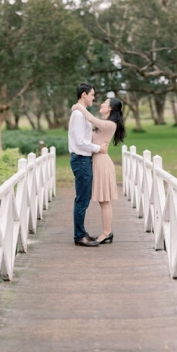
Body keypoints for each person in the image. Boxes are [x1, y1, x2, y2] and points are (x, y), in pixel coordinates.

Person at [71, 96, 126, 244]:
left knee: (104, 201)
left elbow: (90, 118)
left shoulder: (110, 124)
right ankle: (105, 232)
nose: (101, 104)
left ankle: (106, 233)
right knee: (103, 200)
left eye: (105, 103)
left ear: (110, 108)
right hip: (96, 161)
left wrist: (78, 106)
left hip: (102, 163)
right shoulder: (106, 124)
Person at [68, 83, 108, 247]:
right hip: (81, 159)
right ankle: (79, 236)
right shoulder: (78, 115)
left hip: (83, 159)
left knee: (82, 199)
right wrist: (98, 148)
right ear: (84, 95)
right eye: (92, 94)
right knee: (82, 200)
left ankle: (81, 233)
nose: (93, 97)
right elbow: (80, 141)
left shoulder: (81, 113)